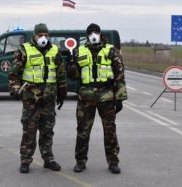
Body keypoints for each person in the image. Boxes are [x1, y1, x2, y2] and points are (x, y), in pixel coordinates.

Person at [66, 23, 127, 174]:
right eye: (91, 32)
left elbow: (119, 74)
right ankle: (80, 161)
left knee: (110, 131)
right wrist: (71, 64)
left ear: (100, 34)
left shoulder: (111, 50)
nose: (93, 34)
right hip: (86, 97)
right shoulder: (80, 51)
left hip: (106, 96)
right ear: (87, 35)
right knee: (82, 131)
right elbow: (74, 75)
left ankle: (113, 161)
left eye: (96, 32)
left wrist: (120, 97)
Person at [8, 23, 67, 173]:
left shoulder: (54, 51)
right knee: (29, 130)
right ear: (34, 36)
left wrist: (62, 91)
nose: (43, 38)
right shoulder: (24, 50)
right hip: (31, 99)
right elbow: (14, 74)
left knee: (47, 131)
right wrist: (15, 89)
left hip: (49, 99)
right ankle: (25, 160)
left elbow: (60, 73)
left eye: (46, 35)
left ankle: (48, 159)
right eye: (40, 35)